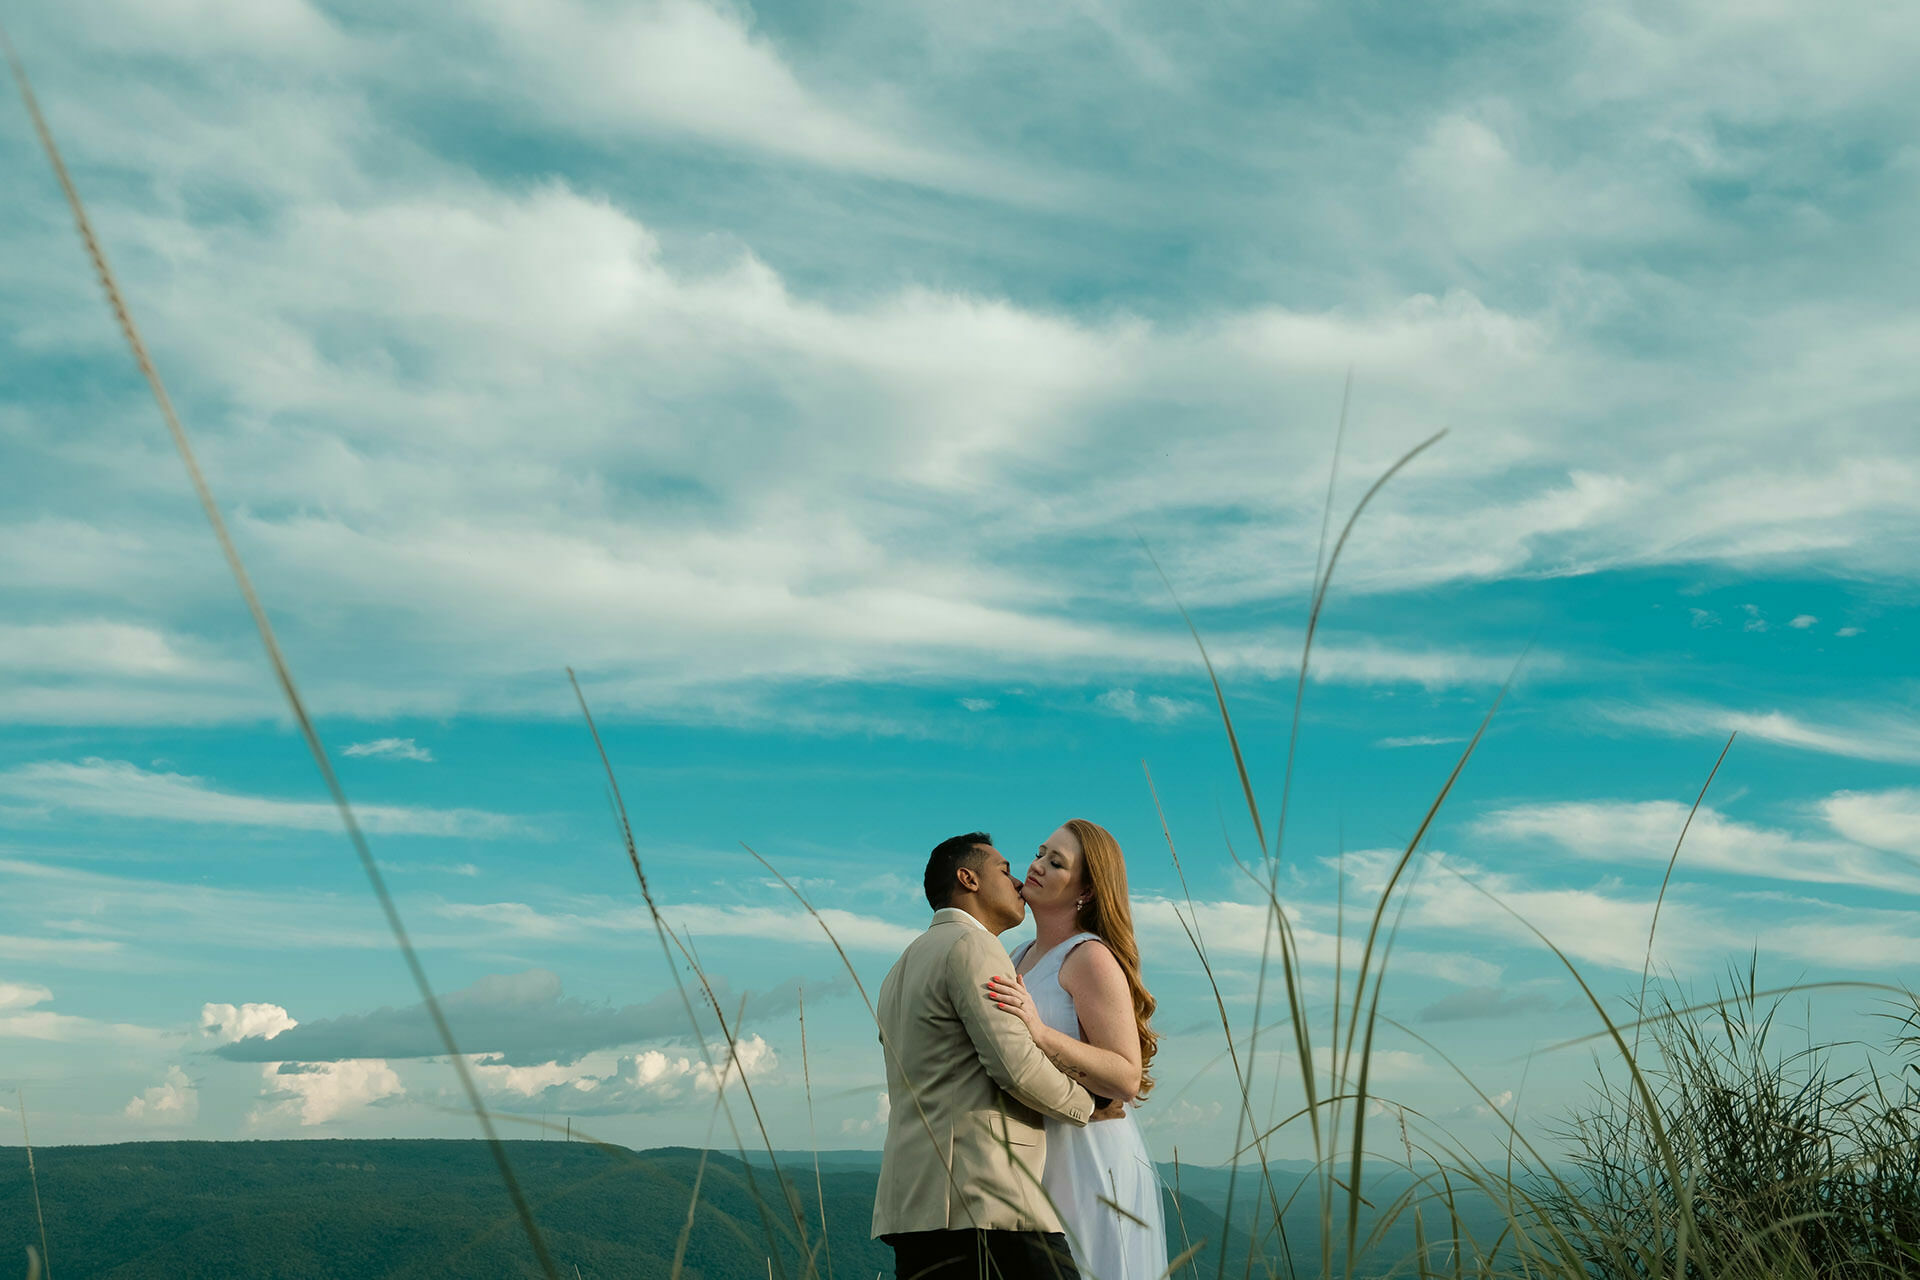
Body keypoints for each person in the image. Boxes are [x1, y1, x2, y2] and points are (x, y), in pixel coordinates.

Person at [872, 831, 1096, 1279]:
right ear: (967, 878)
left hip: (914, 1207)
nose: (1018, 883)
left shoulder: (901, 966)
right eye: (1006, 870)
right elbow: (1014, 1065)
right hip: (985, 1200)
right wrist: (1090, 1102)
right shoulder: (973, 947)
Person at [986, 819, 1167, 1279]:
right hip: (1033, 1152)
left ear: (1086, 890)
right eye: (1040, 852)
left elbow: (1125, 1076)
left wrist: (1040, 1033)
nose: (1037, 865)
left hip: (1087, 1159)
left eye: (1057, 862)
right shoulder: (1017, 953)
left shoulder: (1089, 956)